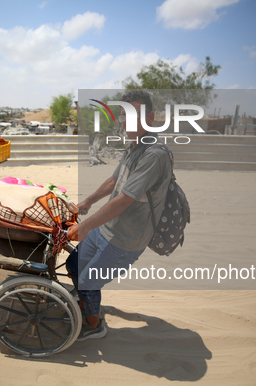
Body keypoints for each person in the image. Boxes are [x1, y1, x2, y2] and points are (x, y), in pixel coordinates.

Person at [66, 90, 172, 341]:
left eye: (133, 115)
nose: (126, 121)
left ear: (151, 117)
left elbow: (124, 199)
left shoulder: (154, 154)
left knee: (89, 283)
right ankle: (84, 304)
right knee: (73, 265)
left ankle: (94, 326)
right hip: (106, 227)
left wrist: (85, 226)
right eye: (124, 115)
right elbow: (115, 179)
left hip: (125, 239)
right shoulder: (134, 146)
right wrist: (88, 202)